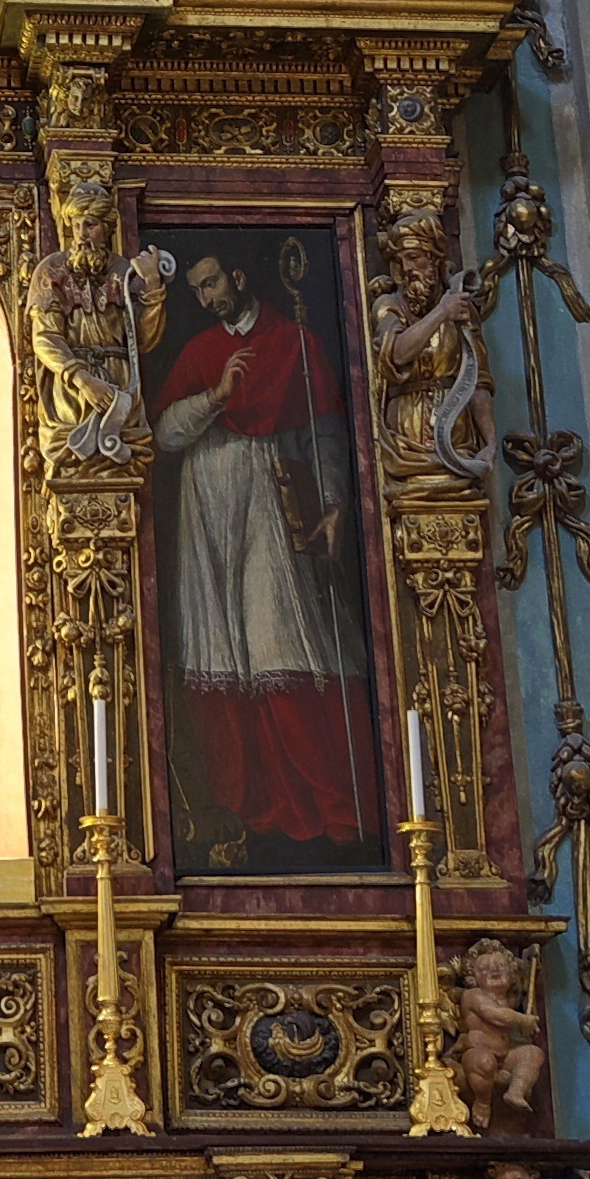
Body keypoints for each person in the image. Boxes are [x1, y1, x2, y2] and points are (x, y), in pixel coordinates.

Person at [151, 246, 381, 854]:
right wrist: (217, 395)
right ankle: (251, 808)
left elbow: (323, 427)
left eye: (212, 282)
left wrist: (334, 502)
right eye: (197, 290)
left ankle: (333, 812)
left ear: (239, 272)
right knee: (223, 653)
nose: (207, 298)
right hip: (207, 520)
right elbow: (165, 433)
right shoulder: (201, 353)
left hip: (270, 511)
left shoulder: (294, 343)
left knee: (283, 643)